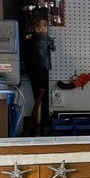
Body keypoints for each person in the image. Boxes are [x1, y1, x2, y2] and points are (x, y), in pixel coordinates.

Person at [21, 7, 56, 135]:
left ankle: (40, 127)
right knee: (39, 89)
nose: (41, 28)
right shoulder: (31, 39)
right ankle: (38, 128)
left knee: (41, 89)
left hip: (40, 65)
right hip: (34, 62)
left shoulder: (40, 39)